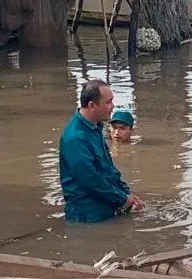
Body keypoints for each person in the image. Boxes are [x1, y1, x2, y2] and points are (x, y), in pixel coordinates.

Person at [58, 80, 143, 223]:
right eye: (108, 102)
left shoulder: (95, 127)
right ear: (92, 105)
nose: (112, 107)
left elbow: (107, 169)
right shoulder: (75, 138)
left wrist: (127, 194)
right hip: (87, 216)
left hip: (104, 210)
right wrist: (122, 198)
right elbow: (89, 180)